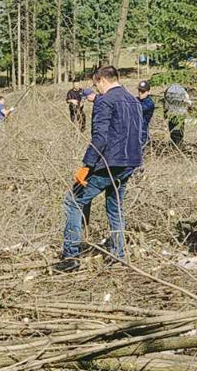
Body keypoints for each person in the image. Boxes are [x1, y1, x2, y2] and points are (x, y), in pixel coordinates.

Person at [53, 66, 144, 273]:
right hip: (130, 162)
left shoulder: (105, 101)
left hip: (108, 163)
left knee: (73, 200)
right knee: (115, 207)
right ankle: (119, 254)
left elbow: (100, 138)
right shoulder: (134, 102)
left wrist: (86, 165)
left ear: (102, 80)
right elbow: (140, 135)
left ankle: (70, 256)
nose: (96, 89)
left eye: (95, 84)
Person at [137, 80, 155, 148]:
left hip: (142, 132)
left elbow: (138, 109)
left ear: (148, 92)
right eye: (139, 91)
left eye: (143, 91)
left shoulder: (149, 103)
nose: (140, 93)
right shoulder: (136, 100)